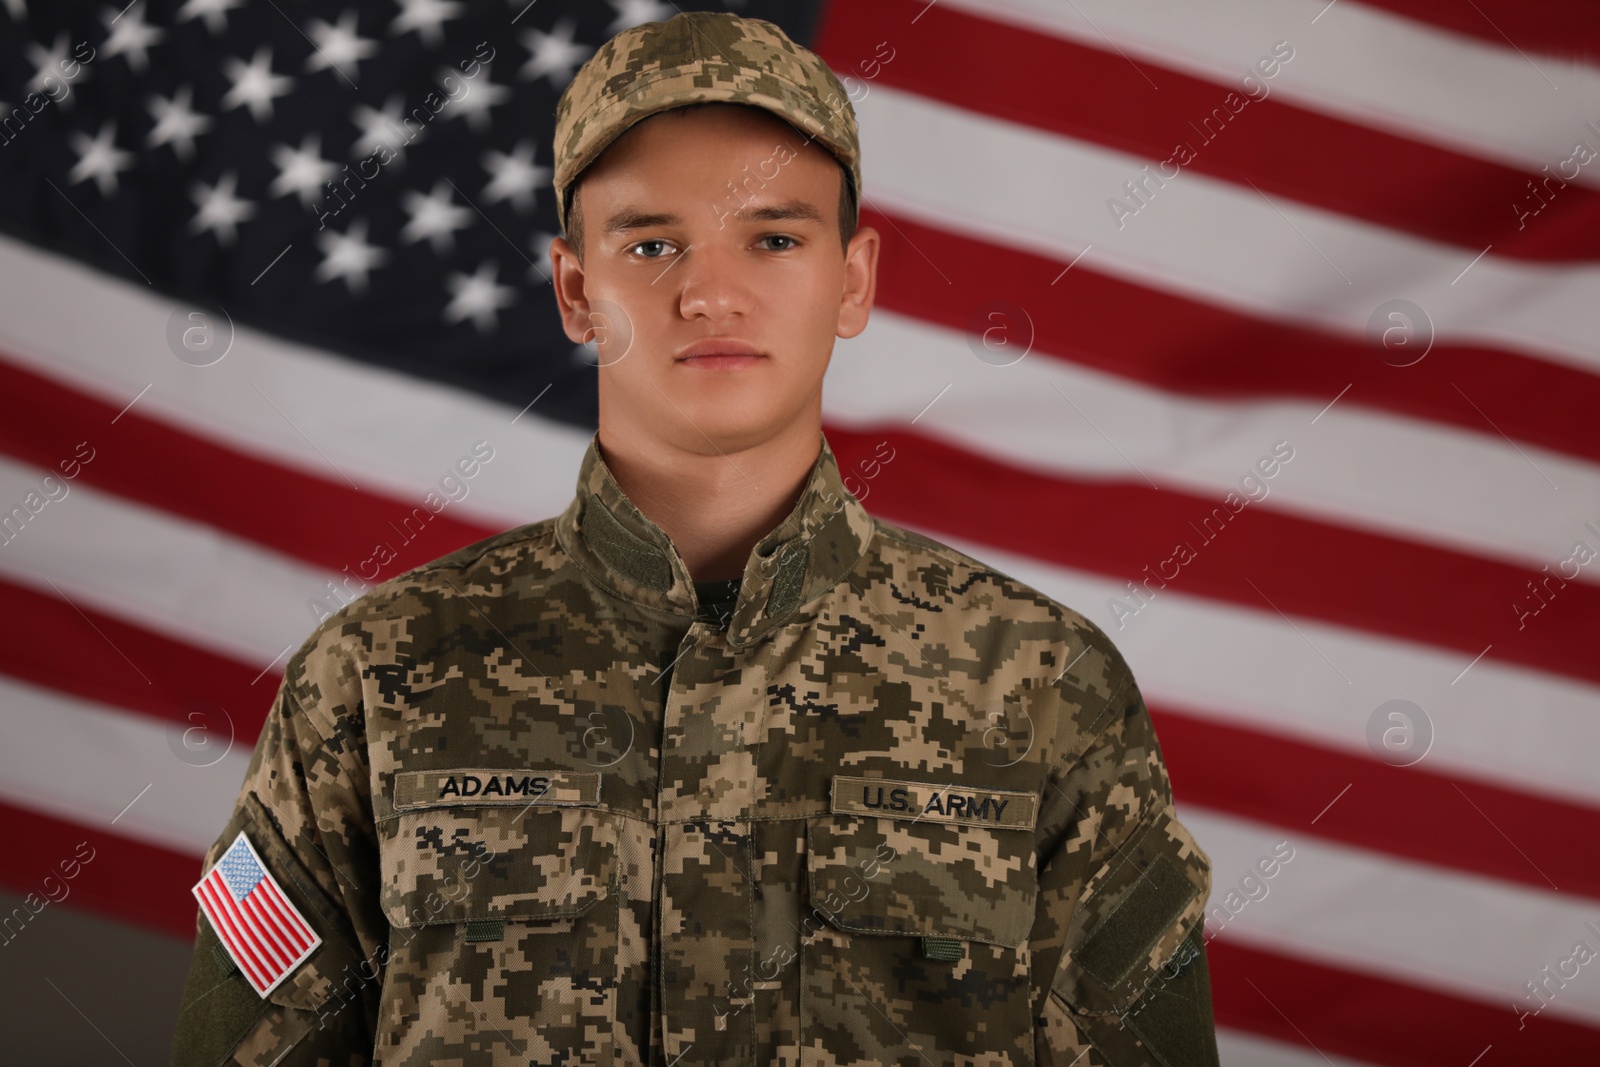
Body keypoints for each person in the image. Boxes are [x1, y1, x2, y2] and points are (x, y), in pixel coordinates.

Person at [169, 11, 1218, 1065]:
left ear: (853, 281)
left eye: (773, 237)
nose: (711, 291)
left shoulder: (1041, 685)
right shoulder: (374, 677)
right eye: (652, 242)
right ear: (577, 289)